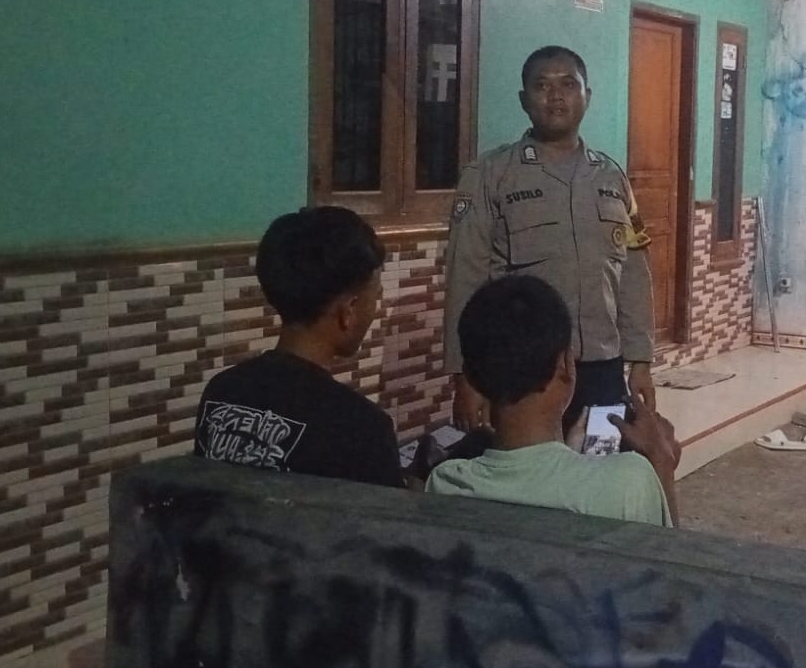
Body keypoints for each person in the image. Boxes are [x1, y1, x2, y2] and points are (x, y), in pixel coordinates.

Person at [443, 45, 655, 435]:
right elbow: (465, 279)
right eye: (542, 86)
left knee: (600, 462)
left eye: (568, 85)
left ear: (587, 96)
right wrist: (465, 375)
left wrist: (640, 360)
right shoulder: (491, 175)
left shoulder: (612, 177)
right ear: (524, 100)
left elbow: (633, 275)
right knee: (528, 469)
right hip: (523, 372)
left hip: (602, 368)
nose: (556, 96)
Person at [427, 275, 679, 525]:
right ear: (565, 366)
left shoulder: (445, 482)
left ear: (471, 378)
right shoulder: (628, 482)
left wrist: (568, 453)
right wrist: (662, 465)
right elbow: (670, 552)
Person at [193, 206, 404, 486]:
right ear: (349, 310)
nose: (376, 308)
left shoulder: (222, 391)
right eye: (375, 296)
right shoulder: (361, 427)